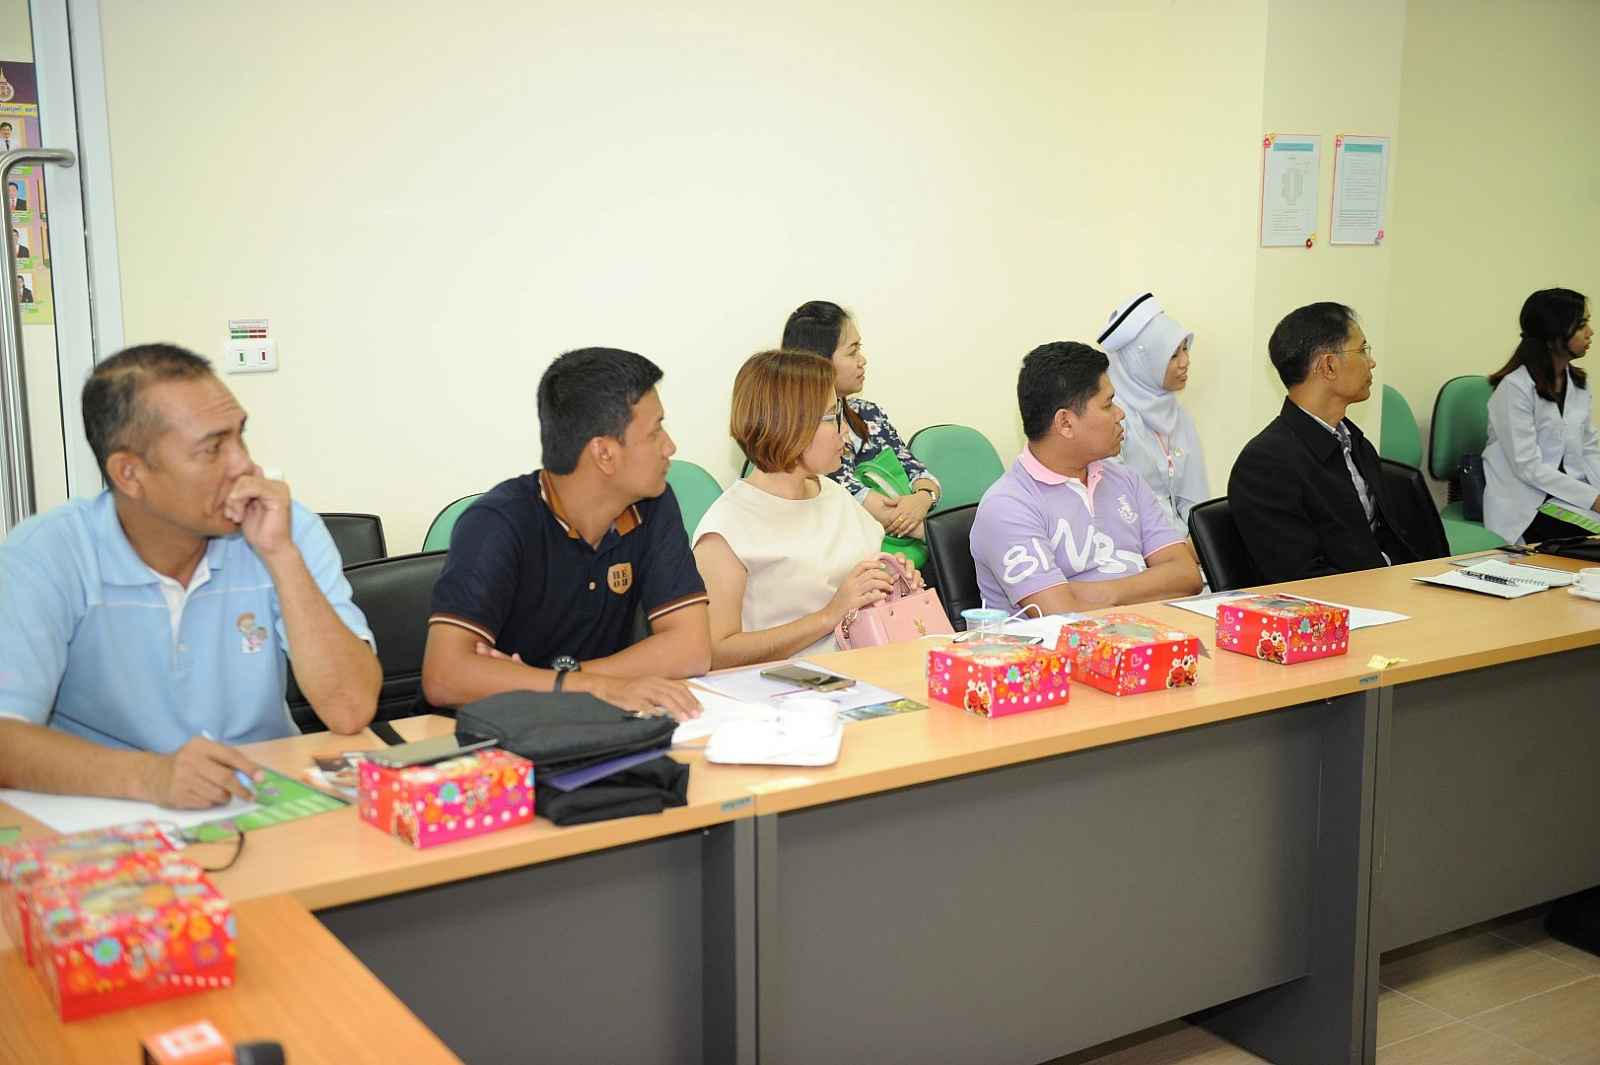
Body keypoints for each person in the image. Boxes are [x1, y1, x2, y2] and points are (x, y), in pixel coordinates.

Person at [0, 344, 380, 808]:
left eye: (240, 437)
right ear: (130, 473)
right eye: (212, 449)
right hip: (110, 804)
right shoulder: (46, 554)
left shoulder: (287, 529)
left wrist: (281, 557)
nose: (244, 465)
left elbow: (349, 709)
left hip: (263, 795)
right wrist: (151, 775)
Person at [420, 347, 710, 719]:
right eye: (655, 432)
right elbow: (445, 678)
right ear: (604, 454)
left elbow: (691, 648)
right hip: (480, 734)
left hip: (588, 722)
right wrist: (593, 686)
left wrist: (555, 679)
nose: (669, 446)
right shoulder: (497, 523)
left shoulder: (651, 503)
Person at [693, 349, 910, 669]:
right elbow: (716, 653)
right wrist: (828, 616)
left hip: (865, 671)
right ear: (790, 426)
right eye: (832, 417)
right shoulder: (727, 528)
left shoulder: (835, 496)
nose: (844, 432)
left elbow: (861, 593)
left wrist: (894, 585)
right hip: (783, 689)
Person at [970, 341, 1201, 613]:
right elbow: (1059, 613)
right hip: (1066, 641)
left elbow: (1187, 576)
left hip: (1148, 632)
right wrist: (1148, 586)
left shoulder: (1125, 480)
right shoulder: (1008, 506)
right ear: (1065, 423)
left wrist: (1098, 592)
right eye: (1108, 404)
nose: (1120, 414)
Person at [1230, 302, 1433, 583]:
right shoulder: (1265, 464)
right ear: (1329, 366)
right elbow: (1300, 577)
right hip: (1340, 604)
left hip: (1385, 590)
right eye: (1362, 350)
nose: (1371, 362)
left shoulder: (1355, 443)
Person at [781, 301, 941, 545]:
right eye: (851, 352)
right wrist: (939, 534)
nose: (862, 360)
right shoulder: (803, 432)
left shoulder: (868, 413)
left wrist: (922, 497)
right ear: (819, 361)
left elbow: (918, 471)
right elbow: (853, 499)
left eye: (859, 349)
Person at [1482, 287, 1600, 544]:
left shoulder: (1579, 383)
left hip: (1571, 496)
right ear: (1552, 334)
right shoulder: (1515, 388)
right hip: (1530, 502)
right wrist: (1592, 499)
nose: (1590, 332)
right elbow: (1528, 466)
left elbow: (1589, 448)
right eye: (1582, 325)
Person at [1096, 292, 1209, 528]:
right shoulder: (1114, 419)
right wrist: (1179, 542)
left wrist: (1200, 538)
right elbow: (1118, 503)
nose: (1186, 361)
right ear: (1141, 363)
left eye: (1185, 349)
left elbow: (1194, 502)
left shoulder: (1179, 417)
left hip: (1181, 540)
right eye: (1173, 355)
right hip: (1136, 538)